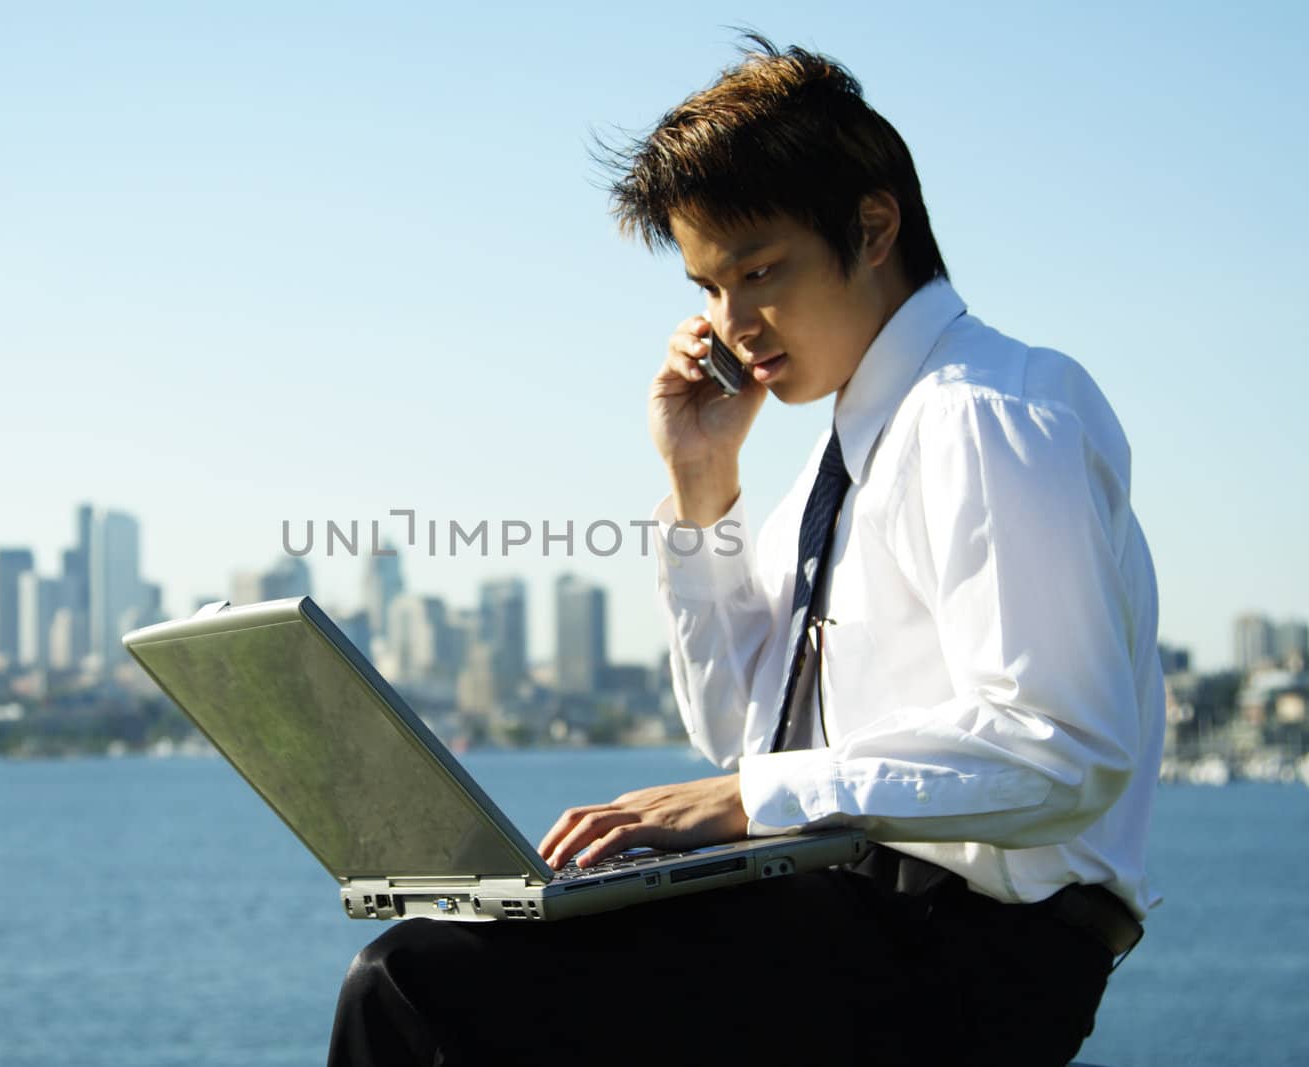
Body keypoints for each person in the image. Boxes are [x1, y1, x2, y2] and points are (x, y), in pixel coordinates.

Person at [328, 34, 1162, 1067]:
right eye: (708, 286)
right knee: (451, 961)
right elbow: (740, 729)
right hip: (843, 920)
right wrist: (699, 481)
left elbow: (1061, 745)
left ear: (871, 227)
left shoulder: (983, 412)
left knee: (415, 981)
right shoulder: (842, 455)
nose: (732, 325)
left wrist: (741, 801)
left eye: (759, 270)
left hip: (962, 958)